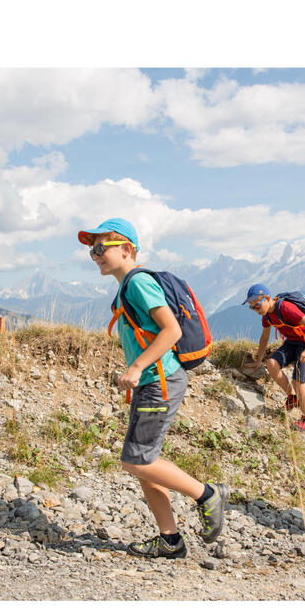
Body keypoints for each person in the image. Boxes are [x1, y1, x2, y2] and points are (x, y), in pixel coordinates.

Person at [78, 217, 229, 559]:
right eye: (92, 251)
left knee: (135, 461)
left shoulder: (138, 283)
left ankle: (208, 495)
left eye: (102, 247)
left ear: (127, 248)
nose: (96, 254)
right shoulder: (127, 285)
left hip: (159, 381)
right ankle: (170, 540)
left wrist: (136, 366)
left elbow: (171, 331)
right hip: (154, 382)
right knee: (146, 460)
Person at [242, 284, 305, 431]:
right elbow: (264, 337)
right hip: (291, 342)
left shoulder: (285, 308)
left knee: (297, 381)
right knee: (271, 364)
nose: (255, 310)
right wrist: (259, 360)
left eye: (257, 306)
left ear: (268, 298)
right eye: (251, 307)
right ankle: (293, 397)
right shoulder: (267, 316)